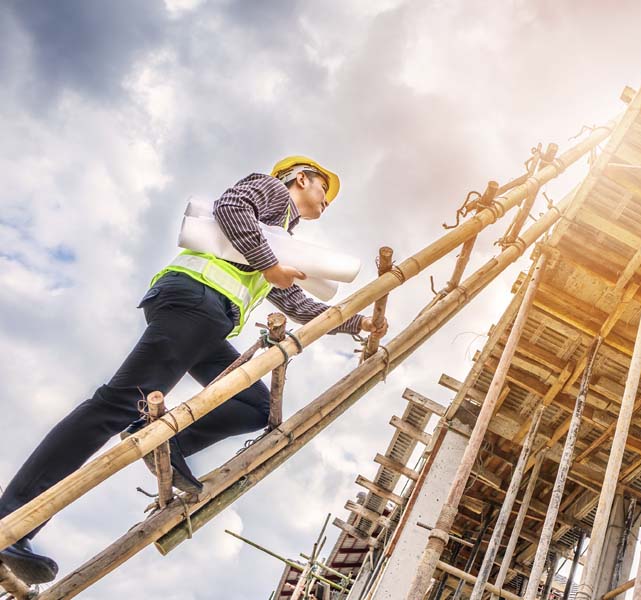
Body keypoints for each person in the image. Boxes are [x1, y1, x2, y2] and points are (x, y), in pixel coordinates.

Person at [0, 156, 387, 584]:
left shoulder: (279, 239)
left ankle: (166, 443)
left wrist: (359, 323)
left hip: (207, 320)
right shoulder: (272, 193)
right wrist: (271, 266)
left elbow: (296, 304)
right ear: (300, 178)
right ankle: (11, 521)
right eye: (323, 190)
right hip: (195, 302)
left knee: (255, 405)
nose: (326, 202)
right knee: (112, 407)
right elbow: (231, 207)